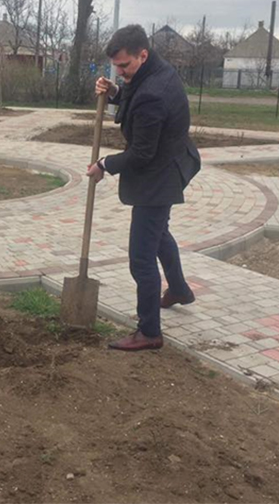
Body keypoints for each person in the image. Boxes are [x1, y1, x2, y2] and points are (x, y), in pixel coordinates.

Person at [87, 24, 201, 351]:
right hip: (170, 161)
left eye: (125, 66)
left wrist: (104, 165)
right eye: (116, 67)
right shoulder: (154, 72)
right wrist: (116, 93)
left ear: (143, 54)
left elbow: (141, 153)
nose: (120, 72)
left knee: (141, 256)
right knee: (159, 233)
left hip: (160, 173)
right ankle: (179, 289)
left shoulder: (154, 92)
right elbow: (137, 97)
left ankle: (149, 331)